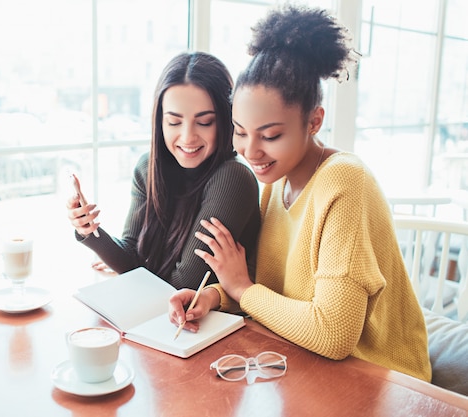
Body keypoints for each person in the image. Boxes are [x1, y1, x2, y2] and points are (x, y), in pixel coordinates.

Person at [169, 5, 431, 382]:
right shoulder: (275, 183)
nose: (250, 151)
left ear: (314, 121)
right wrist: (213, 298)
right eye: (240, 131)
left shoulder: (344, 183)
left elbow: (333, 334)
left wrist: (241, 288)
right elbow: (264, 288)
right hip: (303, 365)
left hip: (383, 379)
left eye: (270, 135)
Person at [66, 51, 261, 290]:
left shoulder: (232, 179)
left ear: (225, 120)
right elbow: (132, 255)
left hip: (217, 323)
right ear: (160, 121)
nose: (188, 137)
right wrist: (90, 232)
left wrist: (137, 269)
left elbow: (185, 285)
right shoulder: (148, 168)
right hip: (169, 317)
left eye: (204, 122)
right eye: (174, 121)